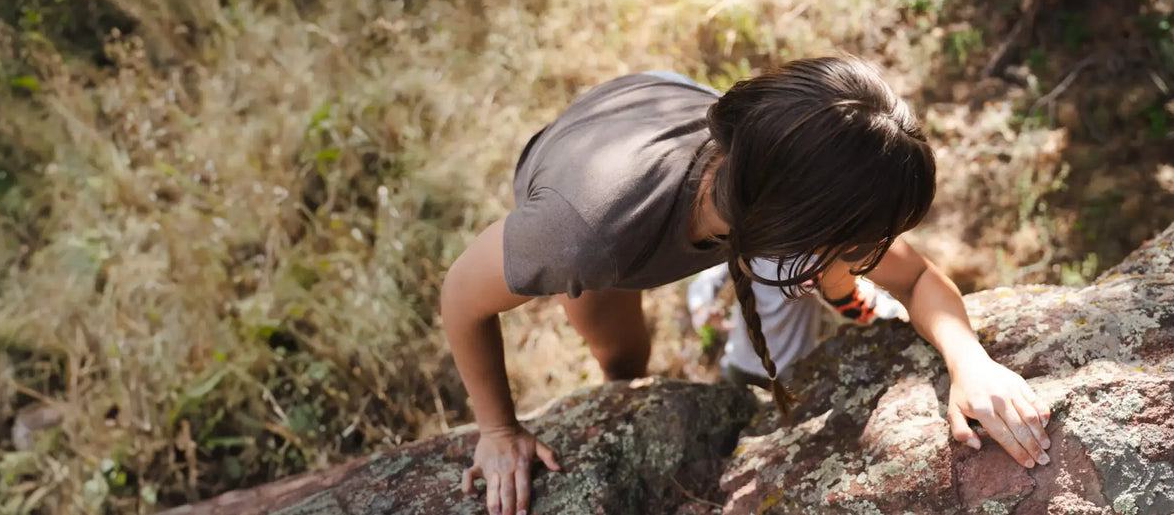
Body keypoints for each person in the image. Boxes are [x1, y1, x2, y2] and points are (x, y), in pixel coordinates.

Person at [438, 57, 1052, 515]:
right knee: (622, 356)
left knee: (793, 288)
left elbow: (916, 277)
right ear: (801, 230)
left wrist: (970, 362)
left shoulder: (777, 152)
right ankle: (738, 291)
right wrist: (498, 432)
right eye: (859, 245)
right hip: (599, 152)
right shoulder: (587, 239)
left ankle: (789, 285)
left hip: (678, 116)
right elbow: (461, 300)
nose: (876, 255)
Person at [687, 259, 907, 389]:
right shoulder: (746, 244)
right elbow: (707, 279)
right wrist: (702, 308)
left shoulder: (808, 260)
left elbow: (855, 298)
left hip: (790, 374)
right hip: (740, 364)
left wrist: (900, 311)